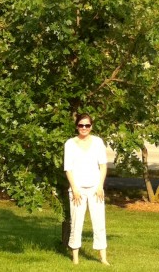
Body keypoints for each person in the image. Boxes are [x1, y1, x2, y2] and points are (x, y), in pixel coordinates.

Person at [64, 113, 110, 265]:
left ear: (91, 126)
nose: (84, 128)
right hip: (77, 189)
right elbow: (68, 169)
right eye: (81, 125)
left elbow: (103, 166)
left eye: (87, 125)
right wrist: (74, 189)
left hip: (96, 189)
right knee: (77, 223)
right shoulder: (70, 144)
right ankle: (75, 258)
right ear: (77, 126)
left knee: (99, 223)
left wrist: (100, 186)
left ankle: (103, 258)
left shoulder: (98, 142)